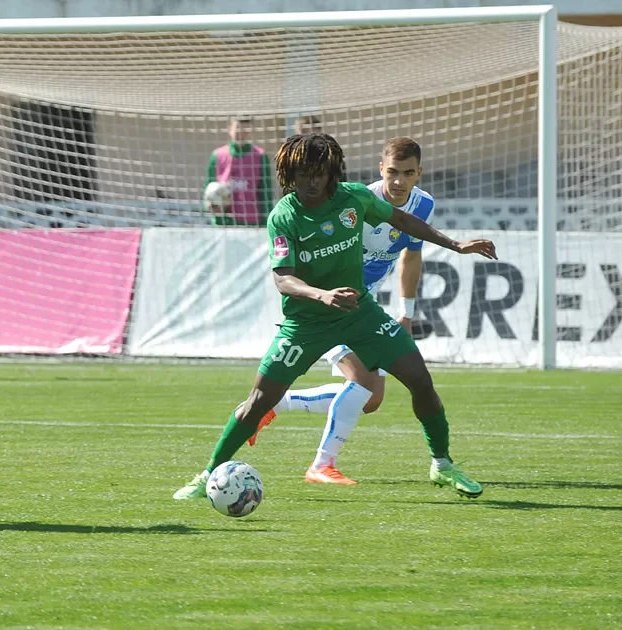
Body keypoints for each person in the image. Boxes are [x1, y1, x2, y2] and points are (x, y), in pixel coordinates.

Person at [173, 132, 495, 502]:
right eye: (303, 174)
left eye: (319, 174)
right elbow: (283, 279)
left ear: (331, 173)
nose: (311, 182)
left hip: (359, 314)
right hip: (306, 323)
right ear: (289, 175)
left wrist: (455, 245)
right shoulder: (284, 216)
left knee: (420, 380)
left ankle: (442, 464)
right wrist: (322, 295)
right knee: (258, 400)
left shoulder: (353, 198)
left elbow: (402, 221)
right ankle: (207, 476)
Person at [248, 137, 434, 486]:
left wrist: (406, 313)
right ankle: (322, 464)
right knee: (362, 385)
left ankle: (273, 404)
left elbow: (411, 257)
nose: (398, 181)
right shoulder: (353, 200)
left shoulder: (423, 205)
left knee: (371, 399)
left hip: (365, 306)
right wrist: (321, 293)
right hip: (330, 303)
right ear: (381, 169)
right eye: (392, 172)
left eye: (408, 173)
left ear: (418, 173)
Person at [205, 116, 273, 226]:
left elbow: (266, 192)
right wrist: (210, 205)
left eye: (246, 130)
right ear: (230, 129)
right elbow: (208, 187)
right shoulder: (217, 155)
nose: (241, 134)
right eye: (238, 129)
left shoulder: (260, 156)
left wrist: (266, 221)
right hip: (223, 221)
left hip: (251, 221)